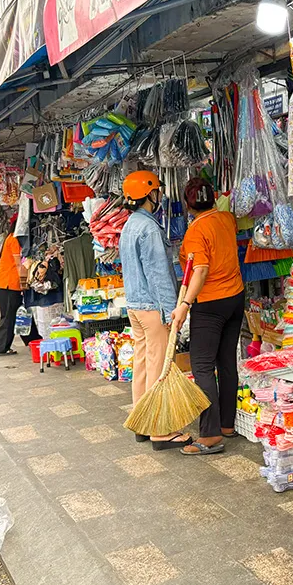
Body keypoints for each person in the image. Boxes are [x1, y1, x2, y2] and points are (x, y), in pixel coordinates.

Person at [171, 177, 244, 457]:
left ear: (188, 205)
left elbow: (199, 269)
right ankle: (226, 424)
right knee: (226, 362)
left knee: (202, 366)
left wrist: (185, 305)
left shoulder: (196, 230)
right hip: (235, 297)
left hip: (210, 303)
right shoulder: (227, 219)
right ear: (213, 198)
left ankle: (211, 435)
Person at [119, 170, 191, 451]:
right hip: (152, 307)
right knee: (159, 367)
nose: (159, 195)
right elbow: (159, 273)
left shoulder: (130, 225)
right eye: (156, 191)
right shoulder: (148, 228)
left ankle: (141, 422)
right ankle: (160, 431)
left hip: (136, 306)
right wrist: (172, 311)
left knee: (141, 365)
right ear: (149, 194)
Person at [0, 229, 36, 356]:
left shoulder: (10, 238)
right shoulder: (13, 240)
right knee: (8, 316)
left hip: (6, 284)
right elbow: (19, 265)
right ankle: (0, 348)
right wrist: (24, 284)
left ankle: (33, 340)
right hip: (8, 285)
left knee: (21, 314)